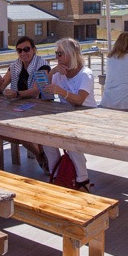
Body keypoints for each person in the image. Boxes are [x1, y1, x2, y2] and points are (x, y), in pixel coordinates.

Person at [42, 38, 94, 191]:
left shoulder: (86, 74)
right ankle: (57, 174)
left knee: (70, 139)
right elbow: (44, 92)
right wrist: (52, 72)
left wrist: (61, 91)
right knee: (44, 137)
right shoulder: (59, 74)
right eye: (56, 53)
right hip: (66, 117)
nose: (57, 57)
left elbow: (79, 100)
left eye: (60, 53)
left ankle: (82, 180)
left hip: (88, 117)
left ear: (72, 54)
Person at [0, 36, 50, 171]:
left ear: (34, 49)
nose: (23, 53)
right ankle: (40, 154)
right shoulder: (15, 65)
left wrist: (16, 94)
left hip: (40, 107)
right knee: (0, 132)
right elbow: (1, 89)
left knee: (22, 133)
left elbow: (36, 90)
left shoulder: (42, 64)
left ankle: (40, 156)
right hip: (19, 108)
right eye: (19, 50)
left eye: (26, 49)